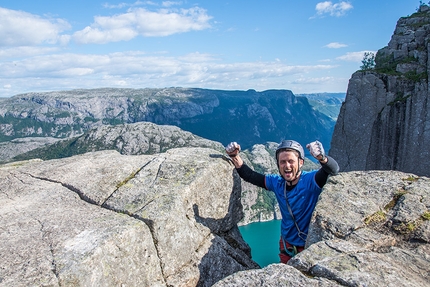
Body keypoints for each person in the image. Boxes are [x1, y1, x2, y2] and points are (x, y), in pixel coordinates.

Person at [225, 139, 339, 263]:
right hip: (287, 244)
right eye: (283, 162)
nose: (287, 166)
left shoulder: (311, 181)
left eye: (291, 161)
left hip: (309, 245)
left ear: (301, 162)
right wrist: (234, 156)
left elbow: (333, 169)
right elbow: (250, 176)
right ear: (278, 164)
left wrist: (322, 158)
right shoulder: (277, 183)